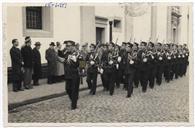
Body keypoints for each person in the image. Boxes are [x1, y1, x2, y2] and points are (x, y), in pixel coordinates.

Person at [64, 41, 80, 110]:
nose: (67, 47)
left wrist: (76, 60)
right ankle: (74, 99)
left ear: (73, 46)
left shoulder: (77, 54)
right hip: (68, 74)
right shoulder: (66, 54)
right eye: (67, 46)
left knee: (74, 90)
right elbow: (65, 62)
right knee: (67, 89)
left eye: (69, 46)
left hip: (75, 75)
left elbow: (82, 63)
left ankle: (74, 105)